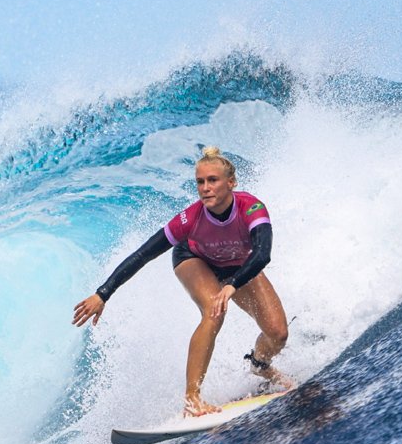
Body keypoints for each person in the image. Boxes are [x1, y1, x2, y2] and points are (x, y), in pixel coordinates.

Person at [73, 146, 293, 417]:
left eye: (212, 180)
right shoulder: (190, 219)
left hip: (239, 266)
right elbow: (143, 254)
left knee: (278, 333)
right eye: (200, 182)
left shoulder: (251, 208)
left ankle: (259, 365)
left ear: (231, 182)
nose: (205, 188)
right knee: (214, 310)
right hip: (194, 258)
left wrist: (232, 284)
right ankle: (192, 399)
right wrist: (103, 293)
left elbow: (262, 254)